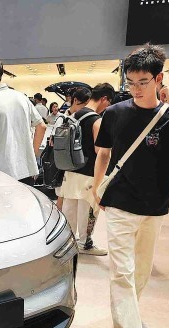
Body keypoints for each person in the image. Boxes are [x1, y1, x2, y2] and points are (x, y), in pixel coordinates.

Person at [92, 44, 169, 328]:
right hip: (119, 203)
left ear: (158, 79)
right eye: (131, 82)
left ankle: (130, 314)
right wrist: (97, 188)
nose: (136, 89)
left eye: (143, 82)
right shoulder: (115, 113)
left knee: (140, 271)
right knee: (121, 271)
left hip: (154, 206)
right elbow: (103, 154)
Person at [57, 83, 115, 256]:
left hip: (70, 168)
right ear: (104, 99)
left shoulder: (74, 115)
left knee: (70, 207)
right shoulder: (96, 120)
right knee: (88, 209)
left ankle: (68, 241)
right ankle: (85, 243)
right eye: (109, 103)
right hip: (89, 172)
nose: (108, 107)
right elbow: (100, 150)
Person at [0, 57, 47, 185]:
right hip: (27, 170)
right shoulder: (21, 97)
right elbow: (41, 126)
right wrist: (32, 155)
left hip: (1, 173)